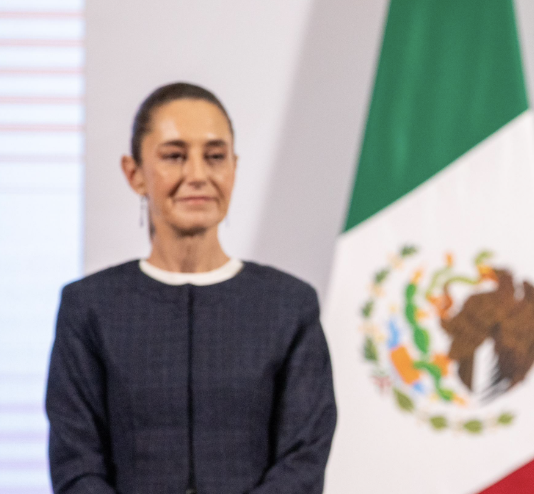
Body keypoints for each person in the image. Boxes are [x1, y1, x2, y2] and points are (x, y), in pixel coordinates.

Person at [45, 83, 337, 493]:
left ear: (233, 168)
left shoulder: (289, 307)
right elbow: (76, 463)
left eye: (215, 157)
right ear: (135, 173)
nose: (197, 175)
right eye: (174, 156)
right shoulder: (90, 308)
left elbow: (303, 460)